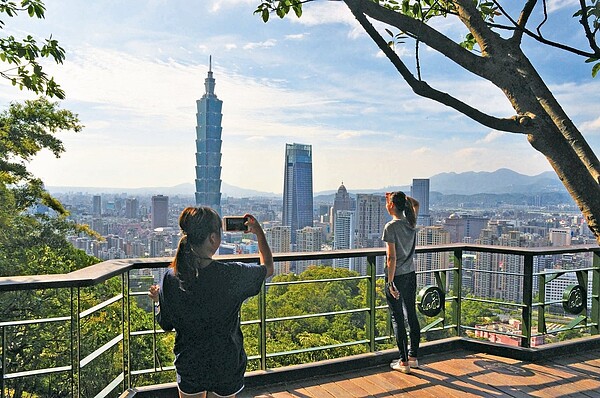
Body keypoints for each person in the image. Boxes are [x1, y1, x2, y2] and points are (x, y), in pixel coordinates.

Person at [148, 206, 273, 398]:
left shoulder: (171, 277)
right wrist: (258, 233)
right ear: (213, 238)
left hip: (190, 364)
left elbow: (166, 323)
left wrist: (158, 302)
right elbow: (268, 268)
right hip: (225, 365)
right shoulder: (232, 274)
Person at [382, 191, 420, 374]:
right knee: (411, 315)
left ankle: (403, 361)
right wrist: (403, 199)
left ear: (391, 205)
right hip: (411, 274)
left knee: (397, 318)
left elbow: (391, 258)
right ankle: (413, 357)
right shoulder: (410, 222)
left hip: (396, 276)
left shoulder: (391, 227)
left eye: (388, 202)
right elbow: (416, 204)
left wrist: (390, 283)